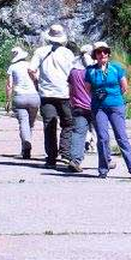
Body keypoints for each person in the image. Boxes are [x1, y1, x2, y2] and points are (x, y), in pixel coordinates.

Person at [85, 41, 131, 178]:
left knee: (121, 136)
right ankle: (103, 169)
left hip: (116, 106)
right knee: (102, 138)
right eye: (99, 52)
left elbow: (124, 87)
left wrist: (114, 97)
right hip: (99, 107)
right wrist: (97, 97)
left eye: (104, 51)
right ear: (95, 55)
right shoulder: (90, 71)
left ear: (108, 54)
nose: (102, 54)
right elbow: (88, 89)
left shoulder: (116, 68)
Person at [34, 24, 76, 167]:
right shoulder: (68, 53)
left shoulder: (40, 51)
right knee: (68, 123)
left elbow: (31, 69)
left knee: (49, 125)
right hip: (64, 93)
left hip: (46, 93)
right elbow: (73, 73)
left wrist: (37, 83)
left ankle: (51, 158)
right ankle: (65, 153)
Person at [5, 44, 40, 159]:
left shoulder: (12, 67)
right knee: (30, 124)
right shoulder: (31, 65)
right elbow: (37, 80)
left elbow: (9, 85)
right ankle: (26, 146)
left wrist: (8, 100)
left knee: (23, 122)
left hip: (20, 97)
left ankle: (25, 146)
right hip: (34, 96)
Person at [66, 42, 94, 172]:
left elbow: (70, 89)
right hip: (94, 106)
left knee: (78, 133)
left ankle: (75, 160)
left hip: (77, 106)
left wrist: (72, 102)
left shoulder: (73, 72)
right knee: (102, 133)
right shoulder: (92, 71)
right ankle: (107, 160)